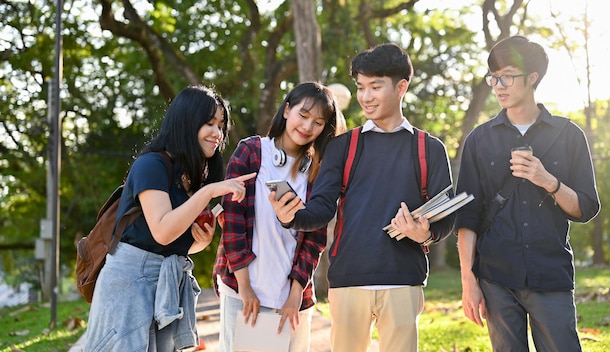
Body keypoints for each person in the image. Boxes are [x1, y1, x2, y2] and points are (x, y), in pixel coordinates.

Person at [270, 43, 455, 352]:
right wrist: (292, 216)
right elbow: (322, 208)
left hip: (403, 279)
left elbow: (447, 216)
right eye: (361, 87)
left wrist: (426, 232)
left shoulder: (429, 148)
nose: (366, 96)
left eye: (375, 86)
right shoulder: (343, 146)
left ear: (401, 87)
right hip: (348, 279)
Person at [455, 35, 601, 351]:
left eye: (506, 76)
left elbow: (586, 208)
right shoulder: (479, 140)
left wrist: (548, 181)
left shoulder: (568, 135)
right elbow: (468, 216)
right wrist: (469, 283)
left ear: (532, 77)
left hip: (550, 274)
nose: (497, 85)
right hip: (496, 277)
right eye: (492, 77)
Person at [83, 85, 255, 352]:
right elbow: (162, 231)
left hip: (166, 280)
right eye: (209, 123)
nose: (217, 134)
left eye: (220, 126)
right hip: (130, 282)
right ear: (186, 122)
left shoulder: (193, 175)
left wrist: (202, 241)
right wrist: (210, 191)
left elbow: (175, 245)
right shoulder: (151, 165)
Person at [212, 81, 339, 352]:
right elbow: (232, 222)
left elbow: (315, 239)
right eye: (303, 116)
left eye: (318, 123)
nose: (307, 127)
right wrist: (245, 288)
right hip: (243, 287)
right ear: (287, 110)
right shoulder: (253, 151)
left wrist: (295, 296)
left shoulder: (319, 170)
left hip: (292, 298)